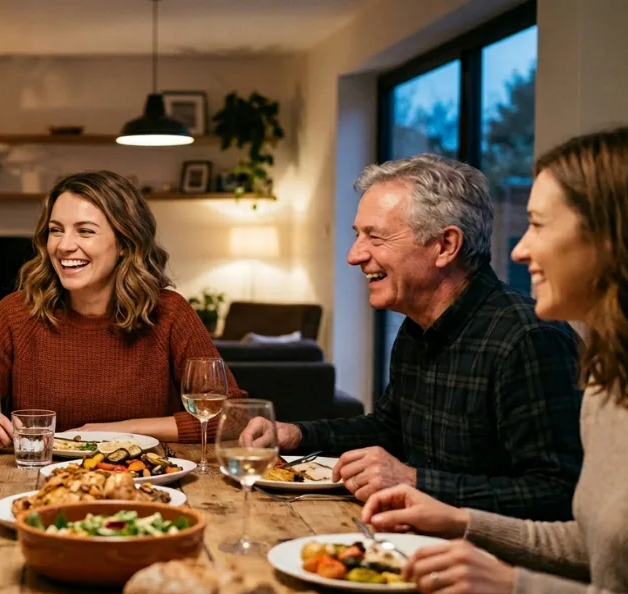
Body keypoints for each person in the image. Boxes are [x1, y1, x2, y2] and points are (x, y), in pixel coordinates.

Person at [360, 126, 628, 594]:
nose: (519, 251)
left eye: (538, 225)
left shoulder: (530, 338)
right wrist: (461, 521)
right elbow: (593, 543)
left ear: (614, 239)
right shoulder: (612, 381)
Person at [243, 154, 583, 520]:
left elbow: (558, 495)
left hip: (488, 567)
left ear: (446, 246)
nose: (354, 255)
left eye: (375, 236)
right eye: (357, 235)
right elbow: (390, 429)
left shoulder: (528, 339)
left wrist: (412, 480)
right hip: (413, 541)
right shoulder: (416, 327)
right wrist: (295, 435)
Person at [0, 170, 245, 448]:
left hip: (141, 481)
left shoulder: (169, 313)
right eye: (56, 230)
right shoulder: (15, 312)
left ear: (125, 241)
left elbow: (232, 416)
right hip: (33, 481)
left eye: (85, 231)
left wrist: (119, 432)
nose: (63, 246)